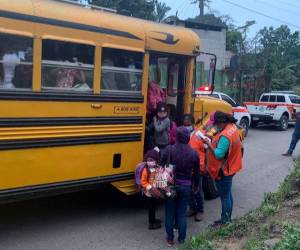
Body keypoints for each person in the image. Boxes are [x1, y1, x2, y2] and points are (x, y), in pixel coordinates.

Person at [161, 127, 200, 246]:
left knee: (169, 213)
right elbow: (197, 174)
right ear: (188, 138)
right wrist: (196, 186)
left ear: (177, 137)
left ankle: (170, 239)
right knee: (181, 213)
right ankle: (182, 239)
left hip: (170, 186)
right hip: (186, 187)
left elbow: (161, 164)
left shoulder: (169, 149)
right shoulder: (194, 153)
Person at [203, 111, 243, 227]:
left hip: (224, 170)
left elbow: (219, 154)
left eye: (215, 124)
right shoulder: (232, 127)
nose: (214, 126)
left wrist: (208, 143)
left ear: (221, 123)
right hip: (232, 166)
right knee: (228, 194)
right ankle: (227, 218)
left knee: (225, 196)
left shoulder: (225, 136)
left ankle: (225, 221)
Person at [186, 116, 206, 222]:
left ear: (193, 124)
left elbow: (207, 148)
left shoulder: (200, 134)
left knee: (198, 190)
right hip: (187, 168)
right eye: (185, 124)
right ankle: (192, 208)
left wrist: (206, 165)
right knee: (189, 190)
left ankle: (200, 210)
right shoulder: (183, 135)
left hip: (198, 168)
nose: (186, 126)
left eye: (188, 124)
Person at [141, 148, 162, 230]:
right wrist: (150, 187)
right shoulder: (145, 170)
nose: (150, 162)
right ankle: (151, 223)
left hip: (155, 192)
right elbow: (143, 182)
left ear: (156, 161)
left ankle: (153, 219)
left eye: (152, 160)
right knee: (151, 208)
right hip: (149, 193)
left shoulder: (157, 168)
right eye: (148, 160)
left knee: (154, 207)